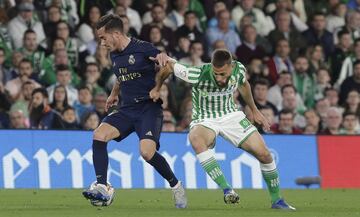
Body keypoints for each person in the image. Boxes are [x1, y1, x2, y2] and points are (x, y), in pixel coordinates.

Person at [150, 49, 295, 210]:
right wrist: (157, 87)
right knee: (196, 140)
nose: (219, 78)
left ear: (231, 66)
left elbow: (244, 84)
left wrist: (254, 110)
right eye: (216, 73)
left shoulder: (239, 69)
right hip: (205, 118)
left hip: (231, 115)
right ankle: (227, 189)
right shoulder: (197, 73)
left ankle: (277, 200)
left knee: (265, 154)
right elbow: (169, 66)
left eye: (223, 74)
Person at [82, 14, 187, 208]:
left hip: (148, 108)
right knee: (99, 134)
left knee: (147, 153)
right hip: (127, 108)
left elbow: (167, 64)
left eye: (103, 37)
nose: (102, 43)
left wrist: (162, 65)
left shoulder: (142, 48)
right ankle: (102, 186)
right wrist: (114, 94)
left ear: (115, 34)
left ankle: (176, 185)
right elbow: (122, 76)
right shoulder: (114, 53)